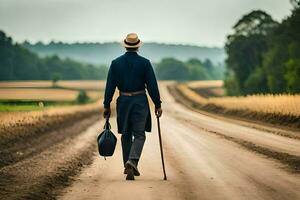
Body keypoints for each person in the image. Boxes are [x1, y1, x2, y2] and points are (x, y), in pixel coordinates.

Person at [103, 33, 163, 180]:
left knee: (126, 134)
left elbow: (110, 86)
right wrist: (157, 104)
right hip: (140, 101)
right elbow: (152, 86)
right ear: (137, 46)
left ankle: (127, 164)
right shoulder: (145, 63)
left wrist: (106, 105)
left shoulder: (115, 63)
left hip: (123, 101)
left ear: (125, 45)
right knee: (140, 134)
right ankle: (133, 161)